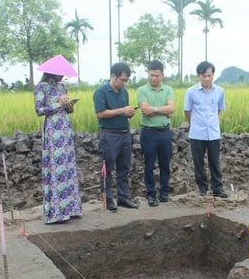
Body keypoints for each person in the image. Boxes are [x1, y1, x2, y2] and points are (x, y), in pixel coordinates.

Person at [34, 54, 83, 224]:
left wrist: (69, 106)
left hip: (65, 129)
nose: (62, 76)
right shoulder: (42, 87)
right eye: (59, 73)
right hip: (53, 131)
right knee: (57, 167)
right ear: (51, 72)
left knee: (68, 166)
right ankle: (57, 212)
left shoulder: (62, 87)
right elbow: (39, 110)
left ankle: (71, 208)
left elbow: (67, 110)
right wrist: (58, 104)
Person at [93, 62, 139, 211]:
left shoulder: (124, 92)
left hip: (125, 133)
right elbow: (100, 113)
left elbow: (124, 112)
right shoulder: (101, 92)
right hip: (109, 135)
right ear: (113, 76)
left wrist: (129, 113)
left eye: (126, 80)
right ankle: (108, 199)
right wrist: (122, 111)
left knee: (124, 168)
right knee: (108, 168)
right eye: (122, 80)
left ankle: (123, 197)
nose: (124, 83)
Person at [184, 61, 229, 198]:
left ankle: (217, 188)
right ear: (199, 76)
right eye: (204, 76)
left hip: (214, 133)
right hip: (197, 133)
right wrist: (195, 124)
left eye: (209, 76)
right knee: (199, 162)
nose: (207, 79)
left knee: (214, 161)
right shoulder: (191, 92)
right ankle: (202, 188)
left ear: (213, 75)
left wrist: (211, 122)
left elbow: (219, 109)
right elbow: (187, 111)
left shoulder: (220, 91)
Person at [138, 60, 175, 206]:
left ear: (162, 75)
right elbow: (145, 110)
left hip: (165, 132)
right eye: (151, 75)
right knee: (149, 164)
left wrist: (154, 109)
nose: (153, 78)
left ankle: (164, 193)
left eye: (156, 76)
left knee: (165, 164)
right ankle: (151, 194)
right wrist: (163, 110)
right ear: (148, 74)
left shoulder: (168, 90)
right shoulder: (142, 90)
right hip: (149, 133)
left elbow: (171, 109)